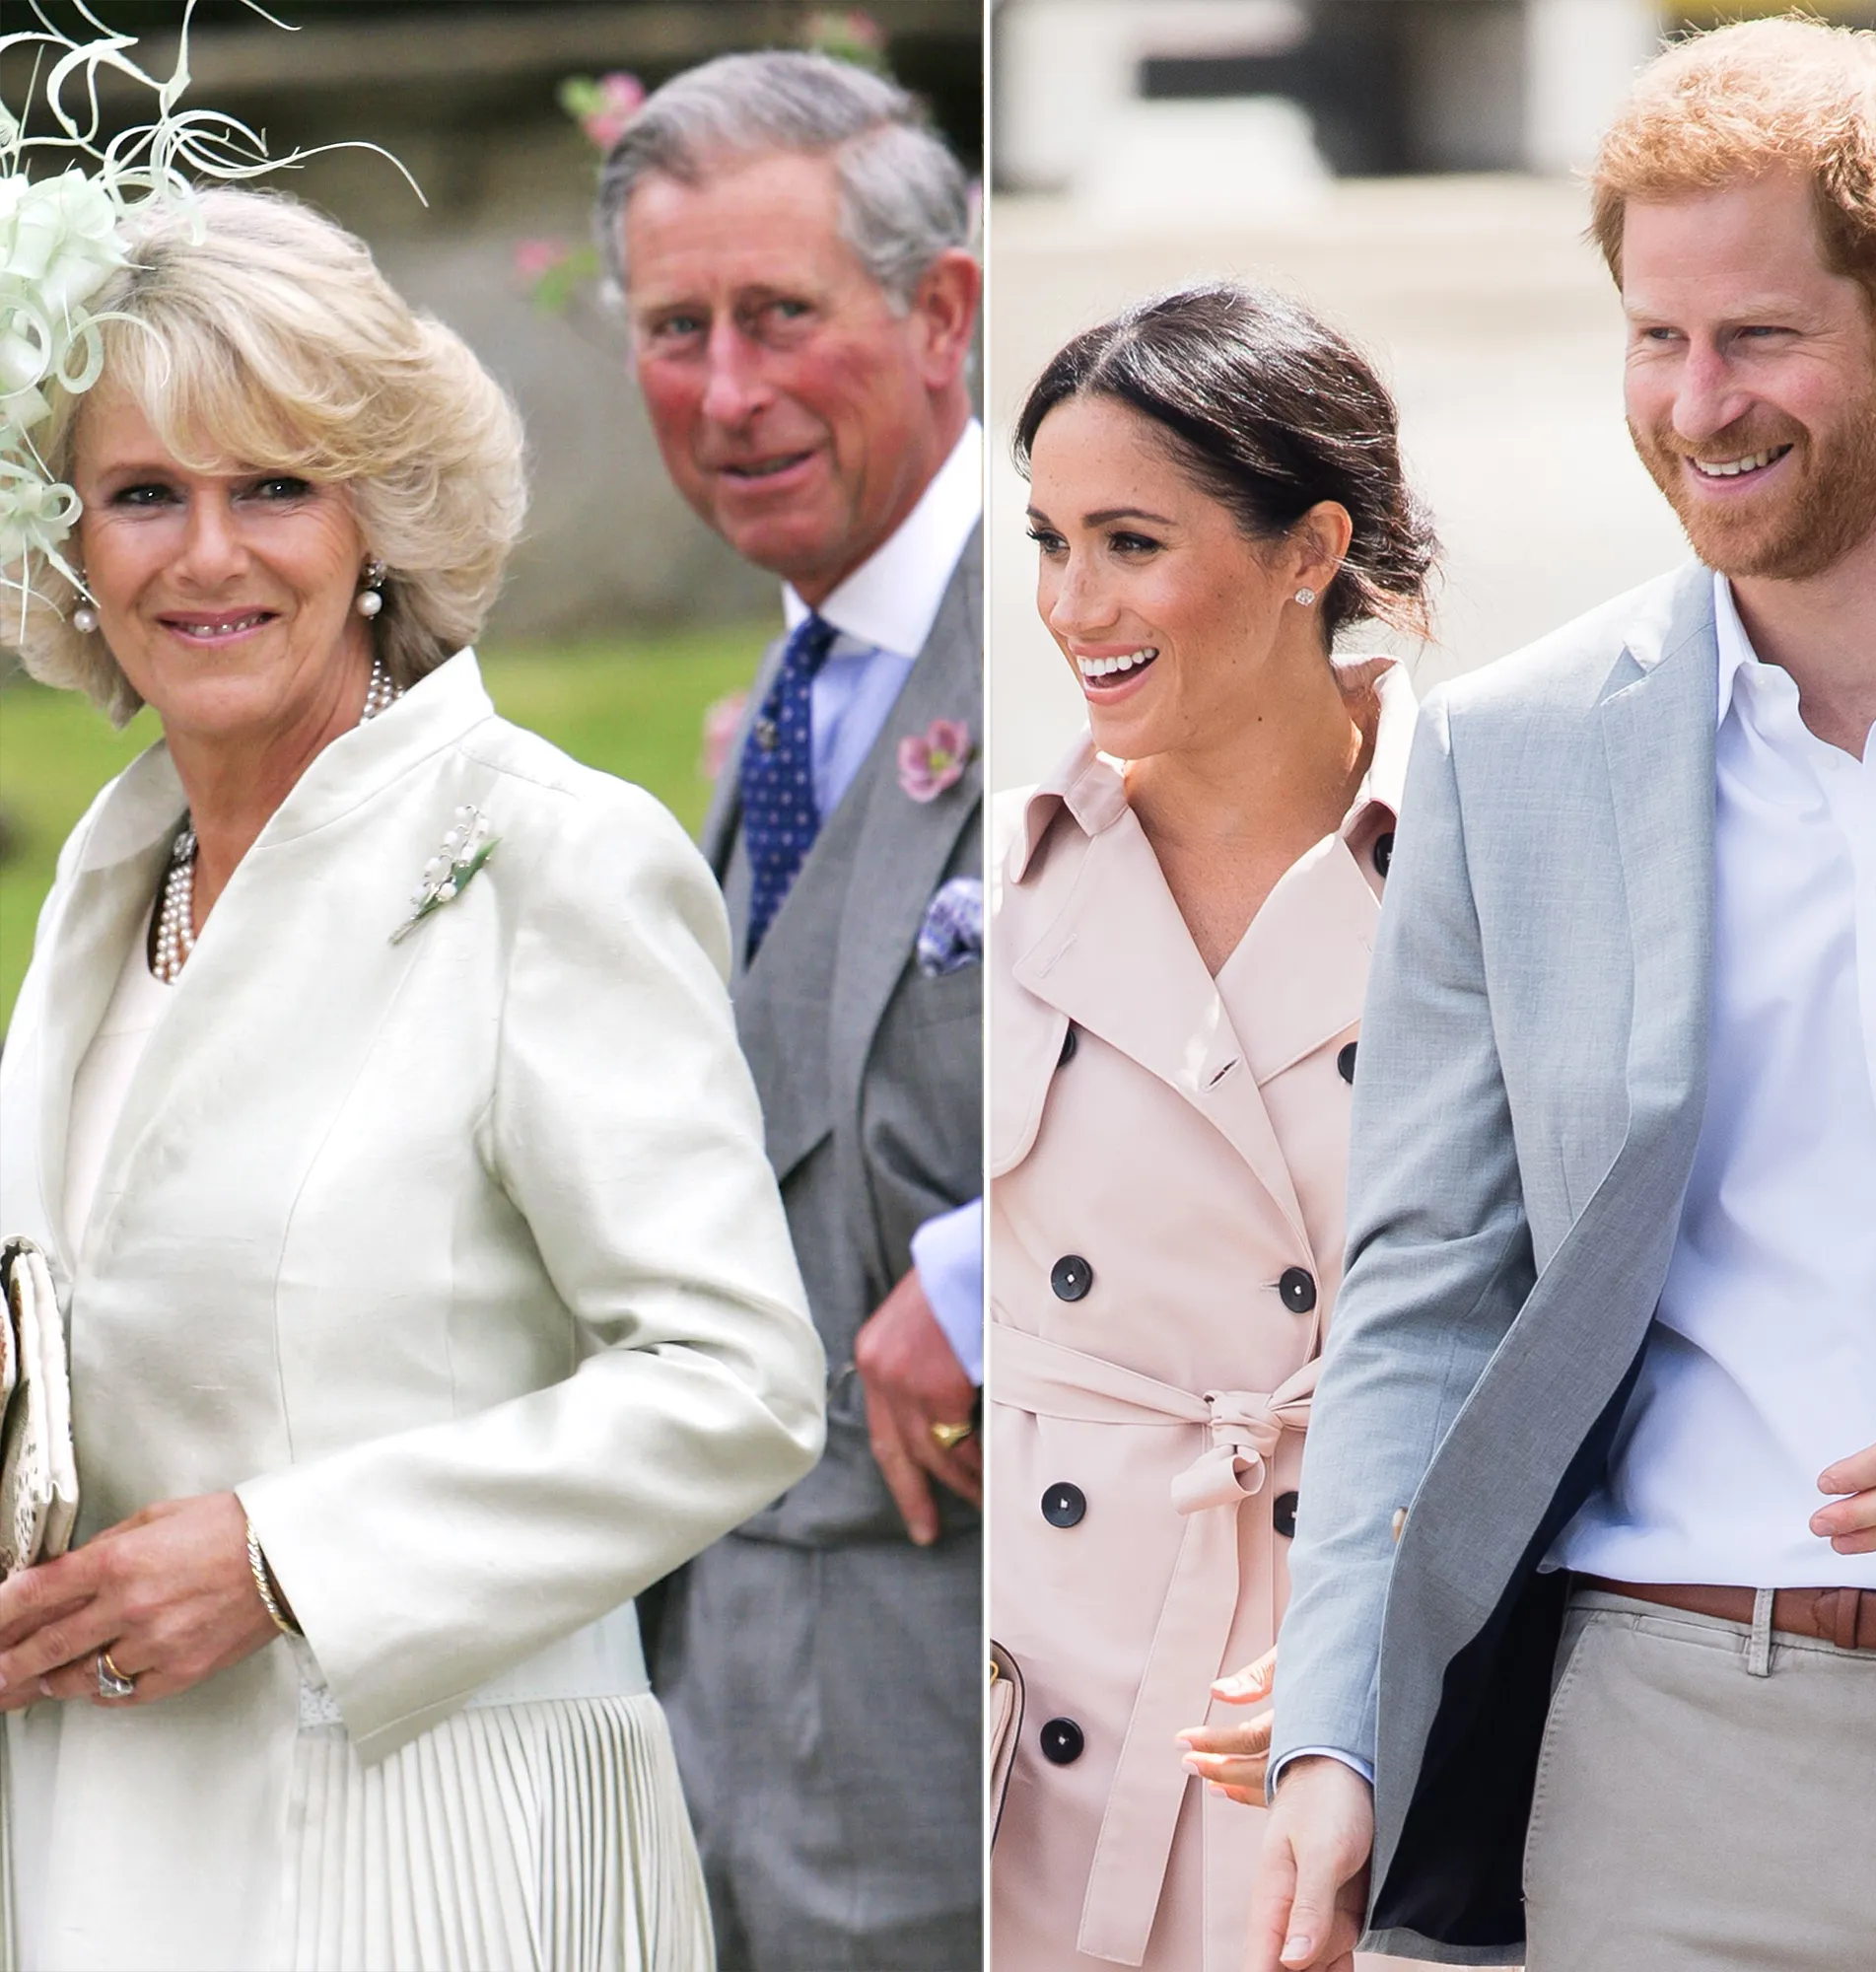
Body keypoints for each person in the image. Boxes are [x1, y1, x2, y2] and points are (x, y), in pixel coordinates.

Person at [0, 186, 826, 1972]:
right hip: (96, 1833)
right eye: (146, 494)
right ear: (72, 544)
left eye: (273, 488)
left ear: (378, 514)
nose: (205, 556)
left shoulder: (548, 857)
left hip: (433, 1846)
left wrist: (290, 1558)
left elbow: (736, 1384)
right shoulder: (103, 883)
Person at [1249, 20, 1876, 1971]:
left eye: (1755, 338)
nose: (1694, 403)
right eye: (1654, 339)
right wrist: (1336, 1730)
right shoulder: (1518, 758)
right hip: (1684, 1764)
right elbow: (1419, 1294)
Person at [990, 284, 1435, 1972]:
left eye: (1127, 543)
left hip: (1348, 1700)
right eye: (1046, 540)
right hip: (1042, 1722)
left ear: (1309, 547)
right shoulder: (1004, 886)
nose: (1069, 605)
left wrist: (1390, 1651)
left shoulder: (1489, 860)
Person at [594, 50, 985, 1971]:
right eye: (677, 329)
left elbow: (1349, 1046)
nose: (728, 393)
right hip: (720, 1705)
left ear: (943, 315)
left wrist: (1013, 1265)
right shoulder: (773, 716)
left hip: (983, 1704)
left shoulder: (1100, 615)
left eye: (778, 318)